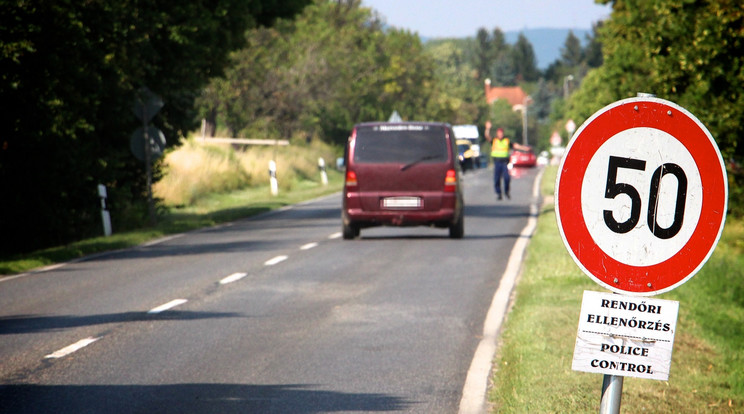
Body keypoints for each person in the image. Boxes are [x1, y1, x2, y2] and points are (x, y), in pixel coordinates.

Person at [485, 121, 531, 200]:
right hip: (497, 162)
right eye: (499, 133)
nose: (500, 135)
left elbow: (515, 145)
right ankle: (499, 193)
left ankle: (506, 191)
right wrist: (487, 128)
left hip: (504, 162)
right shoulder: (494, 140)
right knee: (497, 179)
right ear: (497, 134)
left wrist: (524, 148)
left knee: (507, 178)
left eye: (501, 133)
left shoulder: (506, 141)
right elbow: (487, 136)